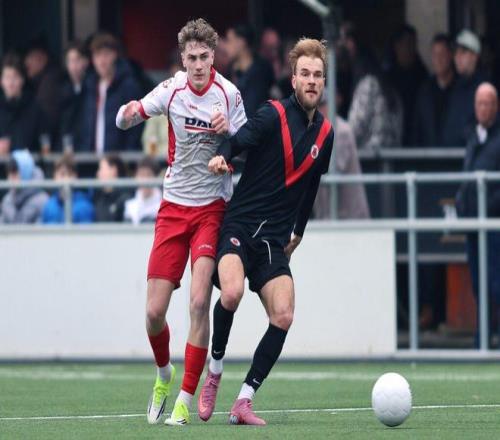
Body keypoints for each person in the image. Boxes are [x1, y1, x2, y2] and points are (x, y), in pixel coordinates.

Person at [115, 18, 246, 425]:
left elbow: (249, 147)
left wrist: (230, 136)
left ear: (214, 56)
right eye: (192, 57)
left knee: (198, 302)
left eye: (205, 57)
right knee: (154, 312)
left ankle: (185, 400)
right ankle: (163, 374)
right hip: (173, 208)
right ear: (182, 59)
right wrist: (128, 114)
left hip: (211, 209)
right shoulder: (172, 90)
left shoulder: (229, 95)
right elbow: (130, 115)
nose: (198, 65)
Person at [198, 38, 334, 425]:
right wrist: (222, 157)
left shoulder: (326, 134)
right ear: (294, 79)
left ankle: (243, 400)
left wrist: (299, 230)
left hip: (274, 240)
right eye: (305, 74)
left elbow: (311, 185)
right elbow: (236, 142)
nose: (311, 81)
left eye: (318, 75)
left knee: (284, 314)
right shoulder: (273, 114)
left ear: (324, 82)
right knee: (232, 292)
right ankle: (215, 370)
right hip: (240, 226)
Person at [456, 82, 500, 342]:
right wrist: (462, 203)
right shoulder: (473, 137)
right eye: (480, 103)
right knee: (478, 282)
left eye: (488, 103)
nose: (483, 108)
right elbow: (468, 175)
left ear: (496, 107)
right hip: (473, 223)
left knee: (494, 283)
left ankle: (487, 337)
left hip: (493, 224)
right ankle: (483, 337)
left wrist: (488, 205)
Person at [81, 32, 143, 152]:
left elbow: (135, 128)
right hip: (90, 158)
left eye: (106, 54)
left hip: (119, 158)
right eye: (97, 55)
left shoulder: (128, 86)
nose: (101, 60)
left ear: (114, 55)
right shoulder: (89, 86)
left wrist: (127, 157)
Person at [384, 24, 428, 145]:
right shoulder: (388, 77)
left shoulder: (422, 74)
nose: (411, 49)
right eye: (407, 44)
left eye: (413, 44)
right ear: (397, 46)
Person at [411, 34, 456, 146]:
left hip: (455, 153)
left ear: (451, 55)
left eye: (442, 54)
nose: (438, 60)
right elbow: (417, 130)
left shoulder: (461, 89)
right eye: (435, 55)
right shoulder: (424, 92)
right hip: (429, 154)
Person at [0, 54, 49, 154]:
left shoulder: (35, 109)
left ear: (22, 80)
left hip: (30, 162)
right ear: (1, 81)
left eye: (15, 77)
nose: (11, 83)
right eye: (7, 77)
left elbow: (44, 143)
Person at [446, 29, 487, 146]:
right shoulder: (455, 87)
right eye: (456, 52)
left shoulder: (484, 89)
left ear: (475, 56)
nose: (457, 57)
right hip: (451, 154)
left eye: (463, 52)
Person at [226, 24, 274, 118]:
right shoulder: (231, 71)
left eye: (229, 41)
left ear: (241, 42)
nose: (226, 47)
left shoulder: (261, 71)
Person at [24, 39, 61, 142]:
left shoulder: (50, 83)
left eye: (31, 57)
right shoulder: (38, 81)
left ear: (43, 59)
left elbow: (47, 119)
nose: (27, 62)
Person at [41, 155, 94, 224]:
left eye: (69, 175)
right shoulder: (49, 205)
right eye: (62, 175)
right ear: (54, 176)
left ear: (75, 177)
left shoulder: (84, 207)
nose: (66, 179)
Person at [0, 150, 48, 224]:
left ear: (25, 172)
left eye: (14, 173)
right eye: (9, 173)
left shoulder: (42, 200)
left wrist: (7, 206)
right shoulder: (8, 198)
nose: (10, 178)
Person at [59, 41, 90, 151]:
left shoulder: (92, 87)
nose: (74, 66)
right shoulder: (63, 91)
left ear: (86, 61)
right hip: (70, 148)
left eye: (77, 60)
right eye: (70, 61)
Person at [123, 156, 162, 225]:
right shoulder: (129, 205)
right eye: (141, 175)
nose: (145, 180)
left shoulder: (163, 207)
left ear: (155, 177)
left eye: (148, 175)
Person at [93, 154, 130, 222]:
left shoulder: (126, 199)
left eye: (101, 169)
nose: (98, 173)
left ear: (113, 170)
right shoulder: (97, 196)